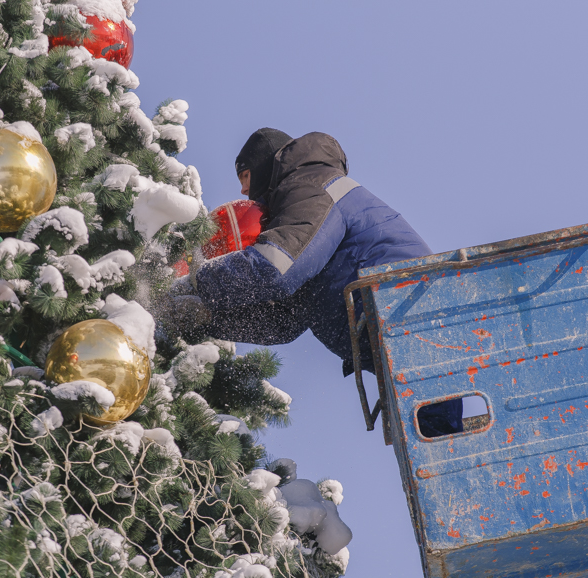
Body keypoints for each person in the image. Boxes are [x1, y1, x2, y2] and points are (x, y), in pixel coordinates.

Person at [165, 128, 462, 436]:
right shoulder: (302, 213)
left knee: (440, 439)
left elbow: (274, 269)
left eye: (245, 175)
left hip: (409, 311)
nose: (243, 190)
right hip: (404, 331)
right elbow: (284, 321)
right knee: (438, 442)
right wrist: (208, 319)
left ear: (266, 164)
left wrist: (197, 281)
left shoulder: (311, 187)